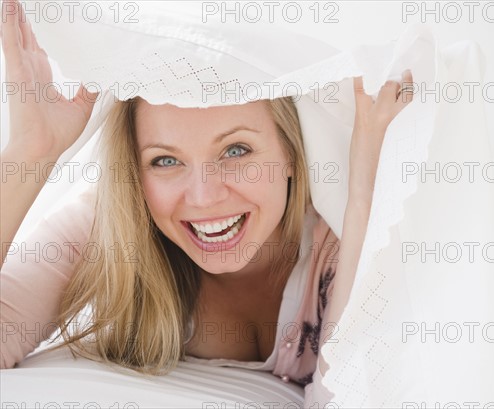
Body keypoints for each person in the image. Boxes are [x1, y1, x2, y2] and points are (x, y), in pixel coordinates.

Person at [0, 0, 413, 403]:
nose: (203, 196)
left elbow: (348, 396)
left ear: (291, 151)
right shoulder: (111, 224)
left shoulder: (337, 245)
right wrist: (31, 152)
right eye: (165, 160)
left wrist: (361, 202)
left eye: (236, 151)